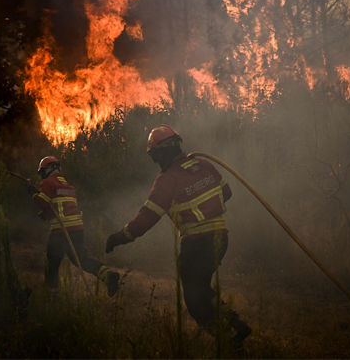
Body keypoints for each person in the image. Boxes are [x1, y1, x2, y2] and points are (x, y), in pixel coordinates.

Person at [105, 124, 251, 349]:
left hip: (196, 244)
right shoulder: (204, 164)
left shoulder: (167, 179)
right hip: (221, 238)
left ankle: (227, 340)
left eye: (155, 155)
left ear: (163, 151)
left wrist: (119, 237)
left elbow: (147, 217)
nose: (155, 161)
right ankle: (235, 326)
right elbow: (227, 192)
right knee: (201, 288)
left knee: (194, 298)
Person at [32, 155, 119, 297]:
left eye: (43, 171)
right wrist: (46, 214)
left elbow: (41, 202)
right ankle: (108, 275)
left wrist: (32, 193)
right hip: (77, 229)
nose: (42, 175)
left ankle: (52, 298)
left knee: (52, 266)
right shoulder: (68, 185)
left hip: (60, 231)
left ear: (51, 168)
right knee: (81, 259)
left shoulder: (48, 182)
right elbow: (60, 207)